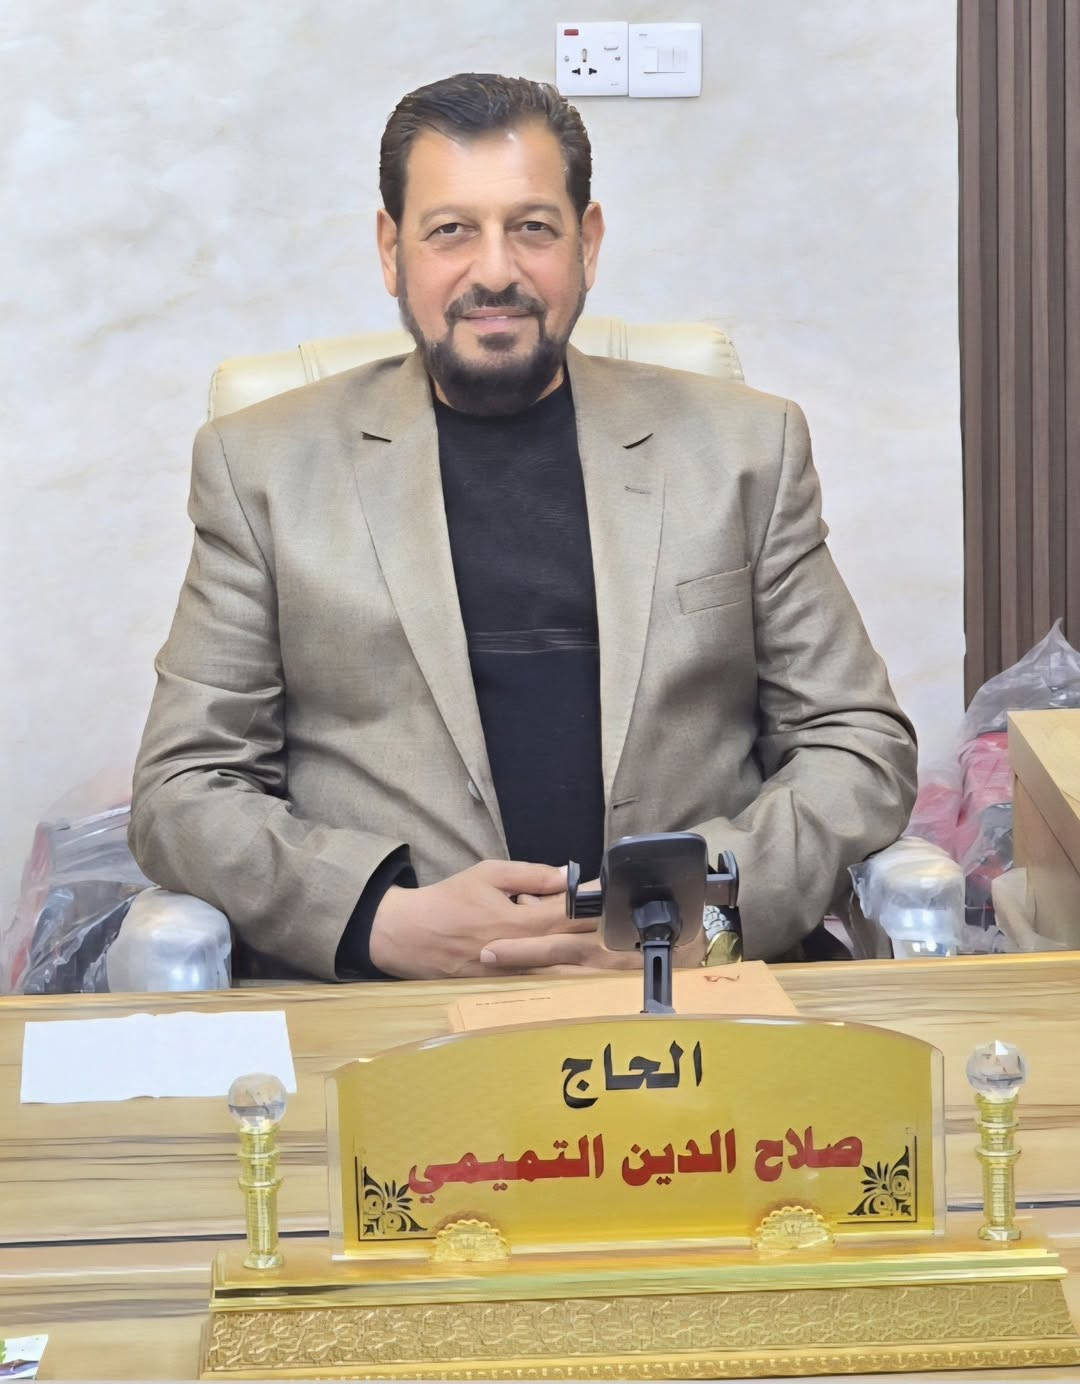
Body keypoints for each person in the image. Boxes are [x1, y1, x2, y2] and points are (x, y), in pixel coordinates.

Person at [129, 73, 917, 982]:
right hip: (393, 1010)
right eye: (451, 230)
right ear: (392, 251)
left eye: (533, 228)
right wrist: (378, 917)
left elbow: (857, 742)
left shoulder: (744, 448)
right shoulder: (262, 467)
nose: (495, 270)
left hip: (685, 997)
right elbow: (184, 787)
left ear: (588, 242)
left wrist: (696, 911)